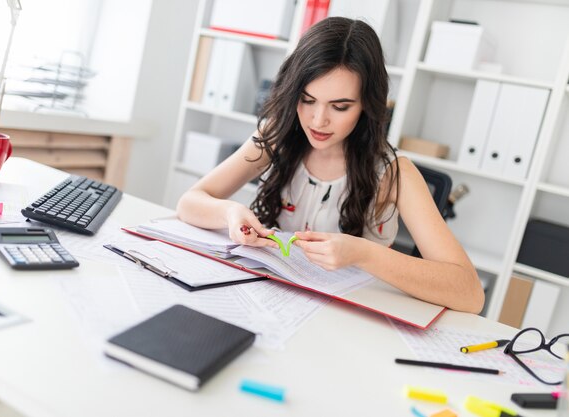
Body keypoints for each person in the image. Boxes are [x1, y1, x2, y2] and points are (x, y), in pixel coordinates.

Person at [177, 17, 484, 314]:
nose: (318, 119)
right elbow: (189, 203)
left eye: (340, 106)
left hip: (346, 316)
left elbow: (469, 293)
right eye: (307, 100)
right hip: (271, 299)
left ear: (367, 104)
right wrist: (230, 213)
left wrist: (362, 253)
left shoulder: (394, 173)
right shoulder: (277, 136)